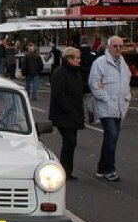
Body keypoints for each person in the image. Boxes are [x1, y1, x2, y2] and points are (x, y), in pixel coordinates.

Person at [89, 35, 131, 182]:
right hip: (106, 107)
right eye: (115, 46)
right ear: (108, 47)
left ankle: (102, 167)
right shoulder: (100, 63)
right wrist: (105, 98)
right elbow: (94, 84)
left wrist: (127, 96)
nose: (118, 49)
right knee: (111, 135)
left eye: (120, 46)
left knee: (111, 138)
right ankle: (109, 169)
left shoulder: (123, 63)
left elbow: (126, 80)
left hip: (120, 107)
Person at [49, 47, 84, 180]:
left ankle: (67, 170)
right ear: (69, 59)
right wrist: (68, 109)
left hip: (73, 113)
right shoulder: (60, 73)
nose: (79, 60)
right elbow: (58, 94)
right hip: (63, 114)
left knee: (71, 142)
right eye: (77, 58)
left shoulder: (75, 72)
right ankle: (64, 169)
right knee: (70, 140)